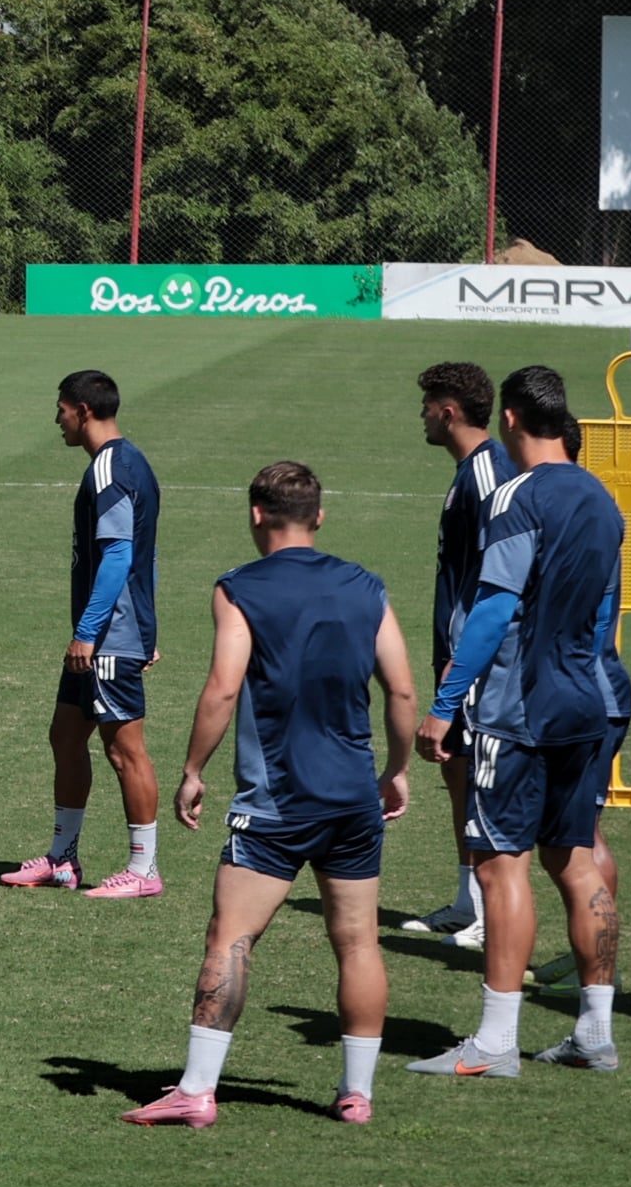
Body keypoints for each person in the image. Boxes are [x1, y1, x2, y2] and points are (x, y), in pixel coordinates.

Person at [123, 462, 419, 1129]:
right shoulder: (365, 586)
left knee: (230, 937)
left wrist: (194, 769)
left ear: (256, 514)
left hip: (277, 802)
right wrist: (397, 769)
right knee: (358, 942)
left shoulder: (240, 589)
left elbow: (225, 686)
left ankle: (197, 1090)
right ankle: (356, 1094)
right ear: (319, 515)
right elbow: (400, 690)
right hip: (352, 799)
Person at [412, 364, 626, 1077]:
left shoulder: (515, 496)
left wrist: (445, 707)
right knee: (577, 863)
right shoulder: (603, 500)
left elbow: (496, 606)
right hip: (585, 702)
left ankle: (496, 1042)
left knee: (503, 867)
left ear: (509, 419)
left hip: (518, 708)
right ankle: (595, 1030)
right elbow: (603, 616)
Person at [3, 368, 167, 897]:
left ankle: (143, 871)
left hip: (106, 637)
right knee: (66, 735)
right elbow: (148, 554)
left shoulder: (110, 469)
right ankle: (63, 859)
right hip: (114, 631)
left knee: (125, 750)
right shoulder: (132, 462)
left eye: (61, 409)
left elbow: (121, 555)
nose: (57, 419)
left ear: (83, 410)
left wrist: (91, 631)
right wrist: (148, 623)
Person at [398, 361, 504, 949]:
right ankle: (469, 900)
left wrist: (463, 659)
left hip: (477, 661)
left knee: (482, 779)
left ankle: (492, 913)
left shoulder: (486, 473)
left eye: (427, 405)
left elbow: (498, 575)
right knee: (459, 772)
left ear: (450, 410)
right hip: (458, 654)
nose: (422, 416)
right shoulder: (469, 470)